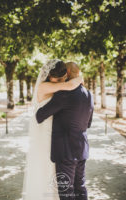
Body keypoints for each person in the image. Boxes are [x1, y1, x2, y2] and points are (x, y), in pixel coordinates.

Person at [22, 59, 84, 200]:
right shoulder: (45, 86)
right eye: (58, 78)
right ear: (49, 76)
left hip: (54, 133)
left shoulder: (56, 85)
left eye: (62, 78)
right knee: (46, 167)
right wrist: (80, 77)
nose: (60, 81)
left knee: (55, 171)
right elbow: (70, 85)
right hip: (44, 132)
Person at [36, 62, 94, 200]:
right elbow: (89, 123)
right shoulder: (88, 94)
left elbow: (40, 116)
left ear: (67, 72)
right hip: (82, 148)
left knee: (66, 191)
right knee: (80, 188)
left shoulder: (64, 94)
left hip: (65, 151)